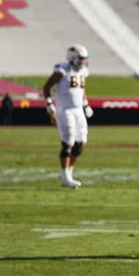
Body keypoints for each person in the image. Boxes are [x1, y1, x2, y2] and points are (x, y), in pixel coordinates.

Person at [42, 45, 92, 189]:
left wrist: (86, 104)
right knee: (68, 141)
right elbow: (47, 87)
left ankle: (67, 172)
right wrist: (49, 103)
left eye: (84, 59)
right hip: (65, 110)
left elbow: (81, 89)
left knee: (81, 141)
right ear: (72, 58)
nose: (83, 62)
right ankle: (65, 177)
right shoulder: (62, 70)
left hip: (78, 110)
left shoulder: (82, 71)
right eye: (81, 58)